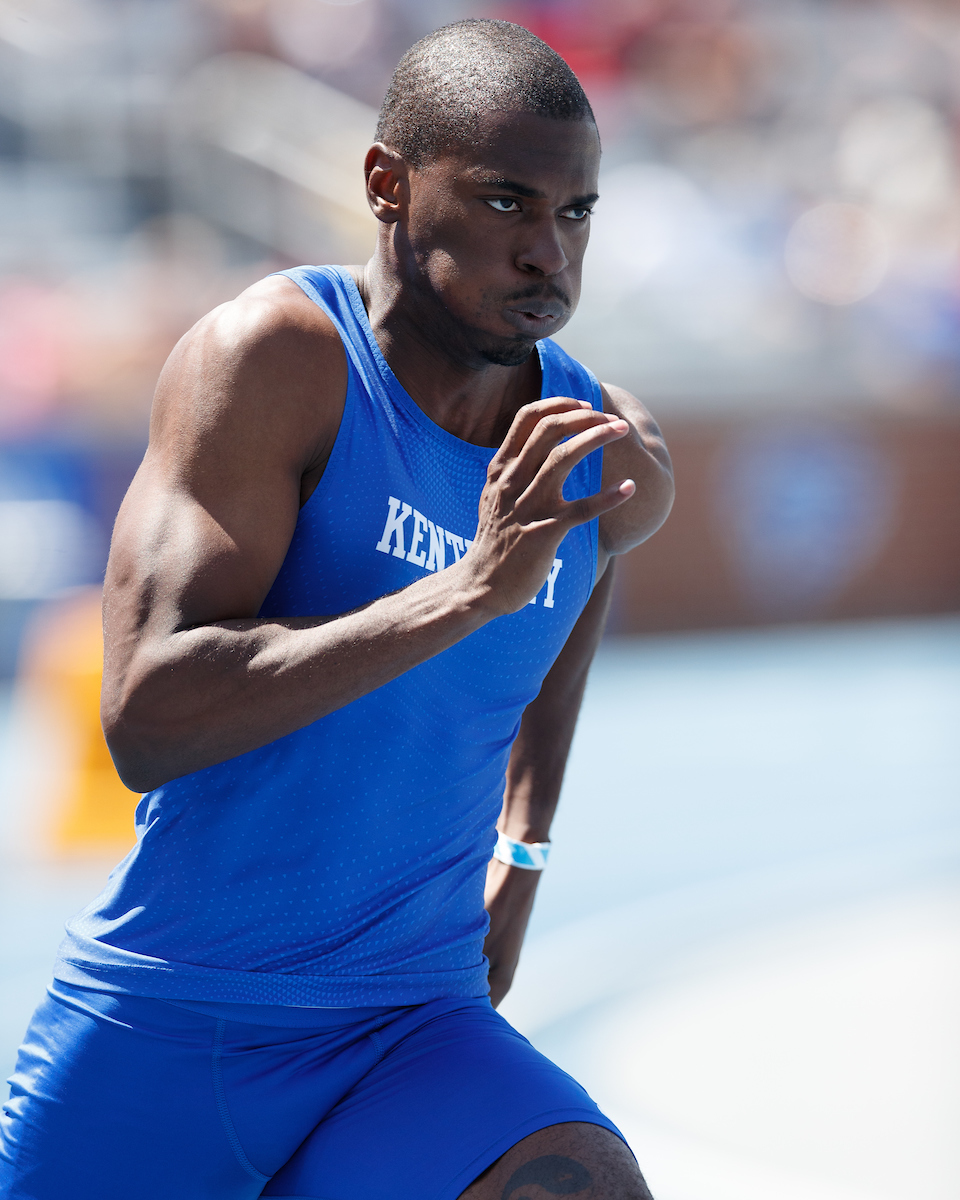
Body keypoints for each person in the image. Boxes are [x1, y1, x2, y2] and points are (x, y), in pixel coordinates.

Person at [0, 19, 673, 1200]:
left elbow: (579, 585)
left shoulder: (592, 445)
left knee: (580, 1181)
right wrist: (464, 593)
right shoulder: (272, 363)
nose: (548, 254)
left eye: (576, 215)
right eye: (508, 203)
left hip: (412, 1029)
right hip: (180, 1018)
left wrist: (525, 842)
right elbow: (147, 717)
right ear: (387, 185)